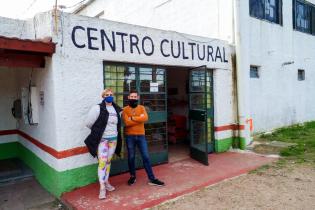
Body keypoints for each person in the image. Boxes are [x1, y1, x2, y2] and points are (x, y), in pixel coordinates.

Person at [84, 88, 122, 199]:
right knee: (102, 162)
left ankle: (106, 182)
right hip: (103, 140)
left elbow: (117, 124)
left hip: (113, 140)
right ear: (103, 96)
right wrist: (98, 131)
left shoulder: (116, 109)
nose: (109, 96)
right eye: (107, 95)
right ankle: (102, 187)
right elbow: (88, 123)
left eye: (111, 94)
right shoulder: (98, 108)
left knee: (108, 162)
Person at [122, 90, 165, 186]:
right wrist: (138, 118)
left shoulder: (142, 108)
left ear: (137, 98)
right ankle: (132, 176)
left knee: (146, 157)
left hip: (141, 136)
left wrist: (132, 118)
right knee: (131, 157)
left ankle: (152, 178)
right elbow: (127, 122)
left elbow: (145, 118)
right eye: (131, 97)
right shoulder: (125, 109)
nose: (133, 98)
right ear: (128, 97)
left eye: (135, 97)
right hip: (130, 136)